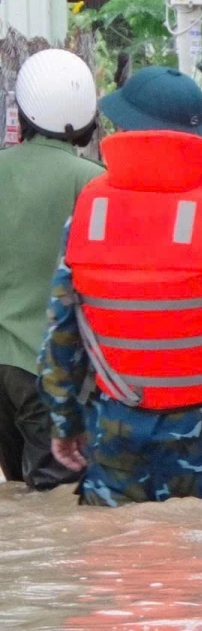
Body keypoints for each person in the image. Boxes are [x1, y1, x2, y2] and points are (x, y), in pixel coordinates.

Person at [39, 66, 202, 506]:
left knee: (117, 568)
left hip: (119, 432)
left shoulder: (88, 214)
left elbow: (60, 336)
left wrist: (65, 422)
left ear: (123, 129)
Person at [0, 50, 100, 491]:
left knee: (17, 494)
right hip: (51, 371)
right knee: (57, 502)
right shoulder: (94, 183)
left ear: (22, 112)